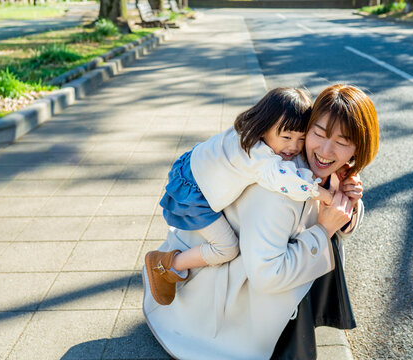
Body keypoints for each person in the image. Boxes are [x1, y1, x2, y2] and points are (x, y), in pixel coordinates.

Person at [142, 84, 380, 359]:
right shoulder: (278, 185)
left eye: (342, 142)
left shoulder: (327, 167)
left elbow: (341, 225)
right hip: (215, 308)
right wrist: (325, 227)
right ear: (308, 125)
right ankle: (167, 265)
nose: (326, 150)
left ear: (357, 149)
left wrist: (346, 201)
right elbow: (267, 276)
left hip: (242, 265)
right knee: (304, 242)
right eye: (319, 133)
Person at [145, 88, 334, 306]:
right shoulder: (257, 157)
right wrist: (326, 196)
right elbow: (288, 182)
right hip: (194, 193)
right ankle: (167, 264)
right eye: (287, 137)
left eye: (301, 139)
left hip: (191, 166)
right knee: (226, 248)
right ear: (265, 128)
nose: (294, 146)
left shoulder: (248, 132)